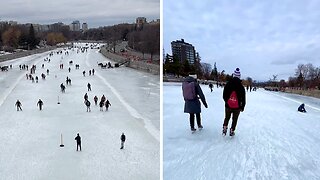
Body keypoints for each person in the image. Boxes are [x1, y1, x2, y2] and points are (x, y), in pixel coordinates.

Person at [222, 68, 246, 136]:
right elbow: (244, 99)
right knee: (234, 119)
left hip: (228, 106)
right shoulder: (241, 87)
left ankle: (224, 128)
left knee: (227, 117)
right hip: (237, 107)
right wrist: (242, 107)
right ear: (239, 77)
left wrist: (227, 102)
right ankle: (232, 130)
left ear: (233, 75)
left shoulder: (228, 84)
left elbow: (224, 95)